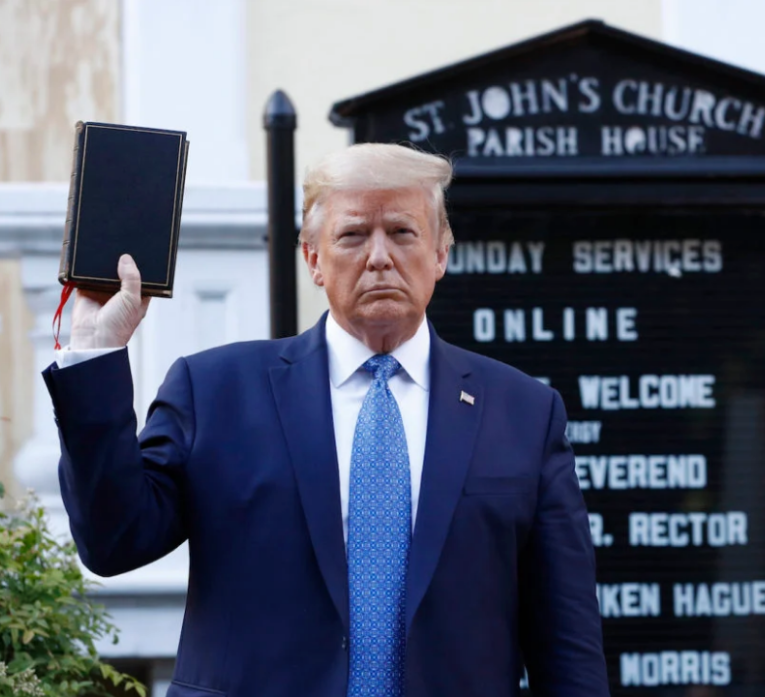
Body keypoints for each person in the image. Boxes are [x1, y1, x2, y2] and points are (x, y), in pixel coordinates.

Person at [44, 143, 609, 697]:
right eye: (354, 234)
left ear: (441, 253)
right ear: (313, 258)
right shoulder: (216, 391)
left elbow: (567, 640)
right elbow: (114, 542)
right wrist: (97, 351)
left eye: (403, 232)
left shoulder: (523, 412)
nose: (380, 256)